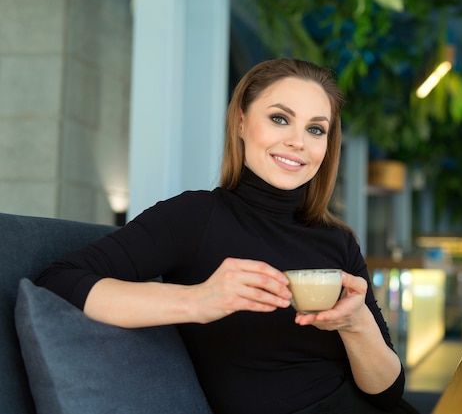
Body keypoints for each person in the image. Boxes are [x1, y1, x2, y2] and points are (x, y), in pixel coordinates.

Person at [37, 58, 418, 414]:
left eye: (315, 129)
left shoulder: (338, 241)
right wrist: (197, 300)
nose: (298, 142)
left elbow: (386, 392)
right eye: (280, 119)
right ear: (240, 122)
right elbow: (59, 282)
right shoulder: (195, 217)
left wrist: (356, 326)